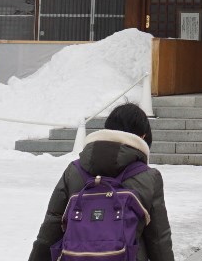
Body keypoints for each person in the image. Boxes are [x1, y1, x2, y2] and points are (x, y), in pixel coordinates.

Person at [28, 102, 175, 261]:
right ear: (143, 136)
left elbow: (51, 227)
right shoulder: (148, 177)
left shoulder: (75, 171)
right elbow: (159, 240)